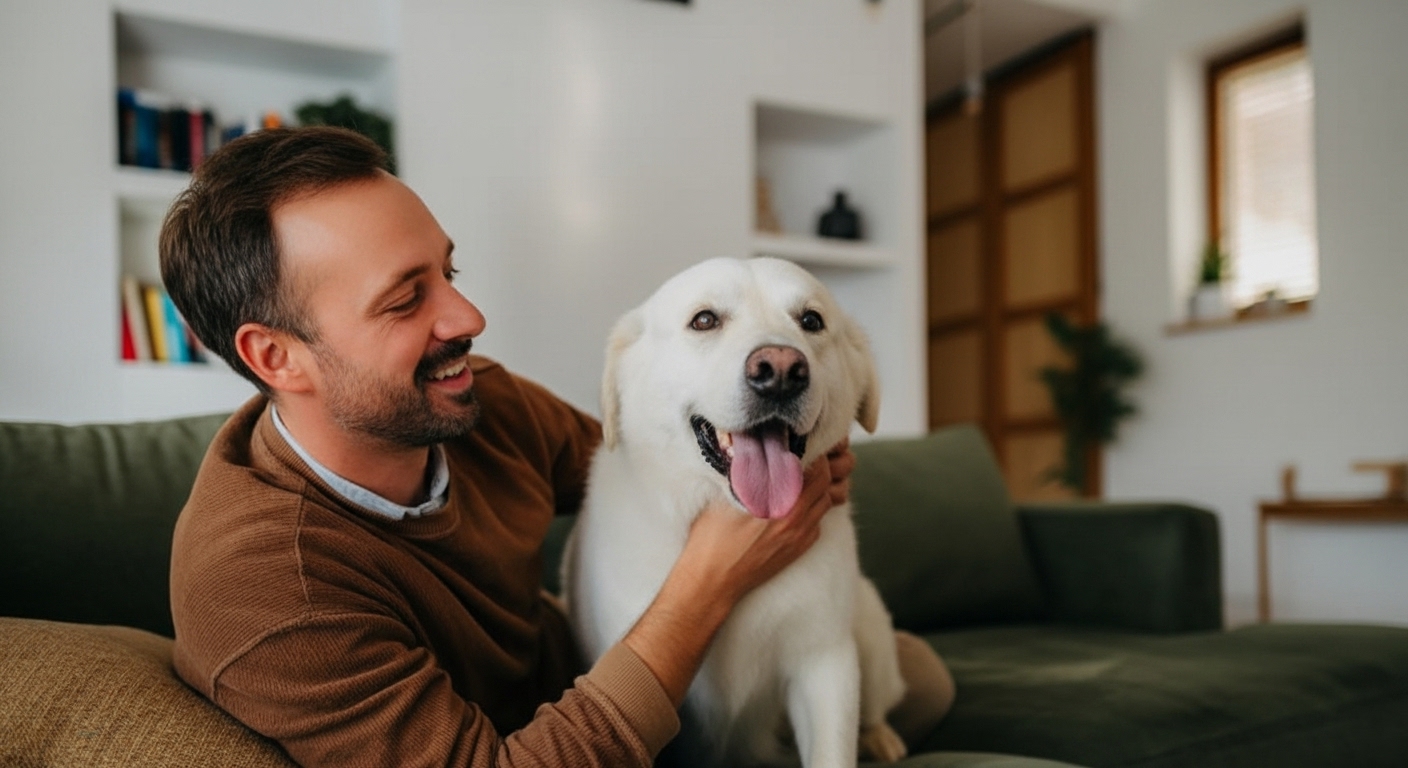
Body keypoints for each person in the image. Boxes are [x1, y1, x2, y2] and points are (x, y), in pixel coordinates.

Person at [161, 126, 952, 767]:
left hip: (579, 679)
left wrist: (795, 447)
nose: (467, 314)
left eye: (448, 270)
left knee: (915, 677)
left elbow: (642, 459)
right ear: (276, 357)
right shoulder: (264, 589)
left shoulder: (476, 402)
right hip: (553, 742)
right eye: (407, 299)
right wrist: (712, 576)